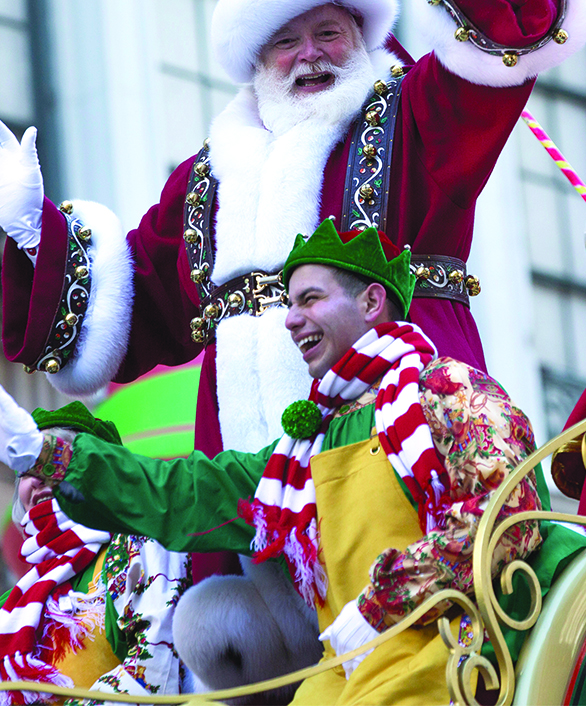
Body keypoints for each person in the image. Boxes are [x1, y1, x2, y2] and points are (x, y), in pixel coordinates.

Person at [1, 0, 586, 683]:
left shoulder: (405, 120)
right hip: (251, 511)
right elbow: (118, 318)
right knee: (224, 649)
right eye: (286, 41)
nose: (309, 57)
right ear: (254, 61)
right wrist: (28, 235)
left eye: (329, 34)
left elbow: (496, 62)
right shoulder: (209, 183)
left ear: (364, 38)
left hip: (394, 473)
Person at [1, 221, 584, 705]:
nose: (289, 318)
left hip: (453, 656)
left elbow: (511, 515)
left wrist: (384, 603)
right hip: (344, 669)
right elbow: (186, 490)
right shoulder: (298, 455)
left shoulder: (445, 389)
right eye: (288, 303)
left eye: (310, 298)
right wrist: (48, 454)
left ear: (371, 301)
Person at [0, 401, 191, 705]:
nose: (38, 476)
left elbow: (152, 675)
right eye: (26, 470)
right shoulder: (11, 605)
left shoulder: (137, 546)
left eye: (54, 460)